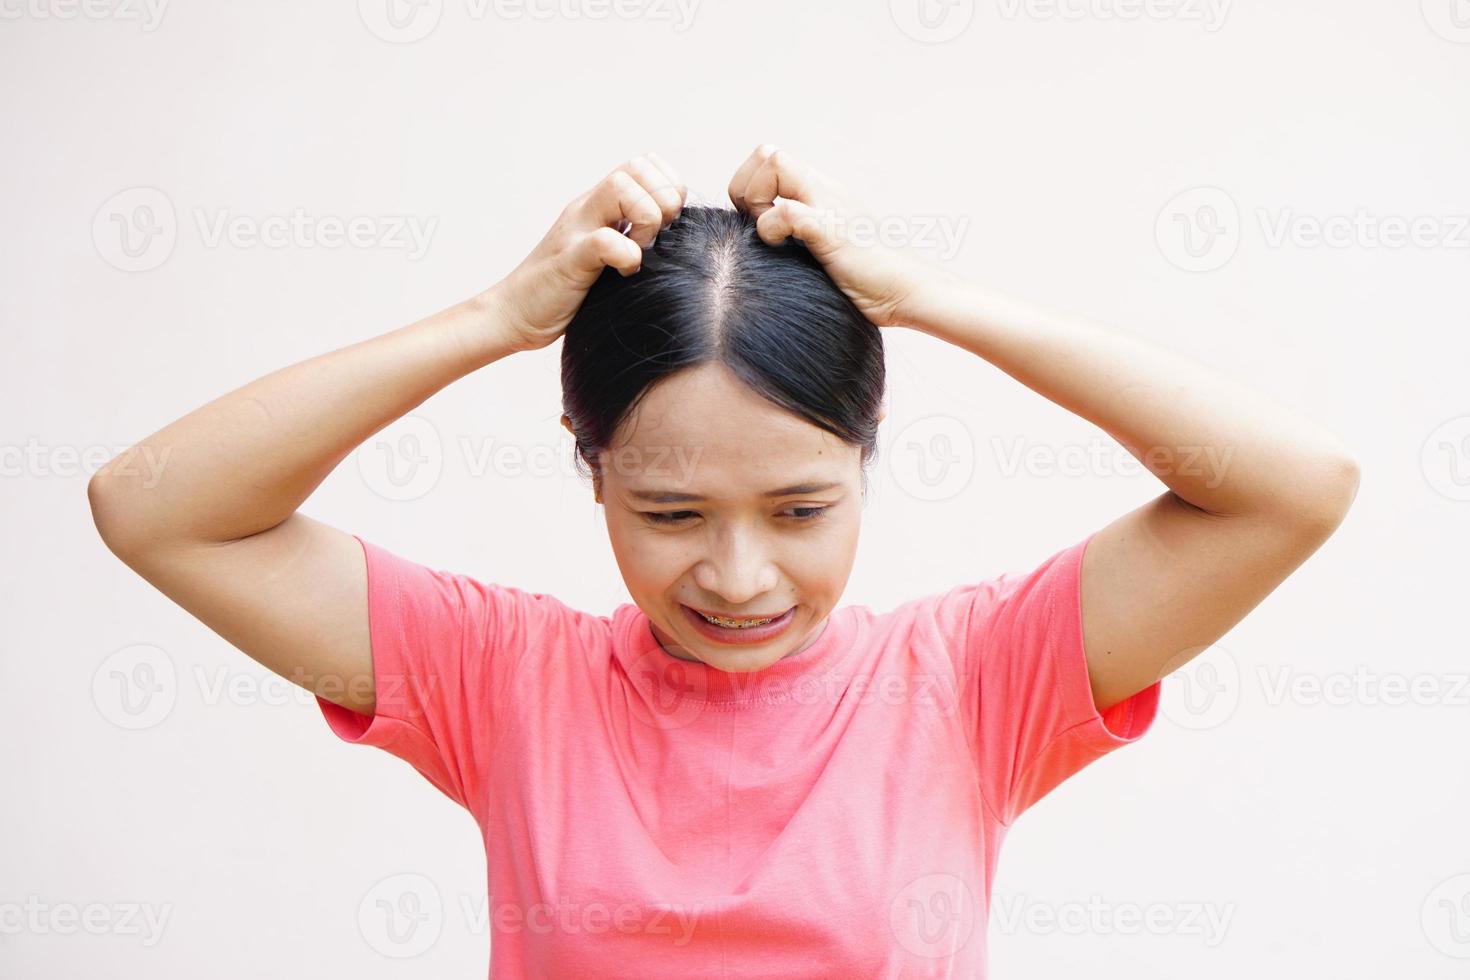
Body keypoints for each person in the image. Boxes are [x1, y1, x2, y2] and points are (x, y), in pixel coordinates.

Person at [88, 145, 1360, 978]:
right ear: (593, 475)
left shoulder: (973, 678)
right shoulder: (503, 677)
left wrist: (927, 297)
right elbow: (155, 509)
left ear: (869, 462)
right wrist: (492, 319)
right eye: (673, 514)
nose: (739, 575)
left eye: (801, 511)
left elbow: (1294, 488)